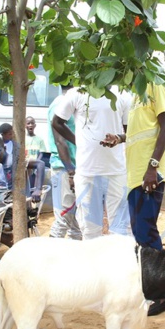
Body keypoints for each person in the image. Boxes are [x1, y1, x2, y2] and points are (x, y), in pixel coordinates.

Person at [103, 83, 165, 315]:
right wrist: (120, 138)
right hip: (135, 175)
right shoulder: (135, 94)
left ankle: (162, 294)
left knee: (146, 233)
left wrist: (152, 167)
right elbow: (141, 131)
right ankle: (152, 289)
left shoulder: (157, 85)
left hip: (148, 175)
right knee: (141, 234)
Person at [52, 87, 131, 239]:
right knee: (90, 230)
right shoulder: (78, 93)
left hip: (116, 172)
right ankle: (92, 262)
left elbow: (130, 131)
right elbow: (56, 122)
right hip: (87, 172)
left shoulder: (122, 95)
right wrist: (79, 141)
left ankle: (115, 263)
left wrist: (118, 138)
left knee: (120, 230)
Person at [47, 90, 81, 240]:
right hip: (65, 168)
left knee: (77, 222)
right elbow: (60, 142)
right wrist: (71, 172)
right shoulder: (60, 104)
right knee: (64, 218)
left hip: (74, 167)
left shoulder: (72, 103)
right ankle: (48, 259)